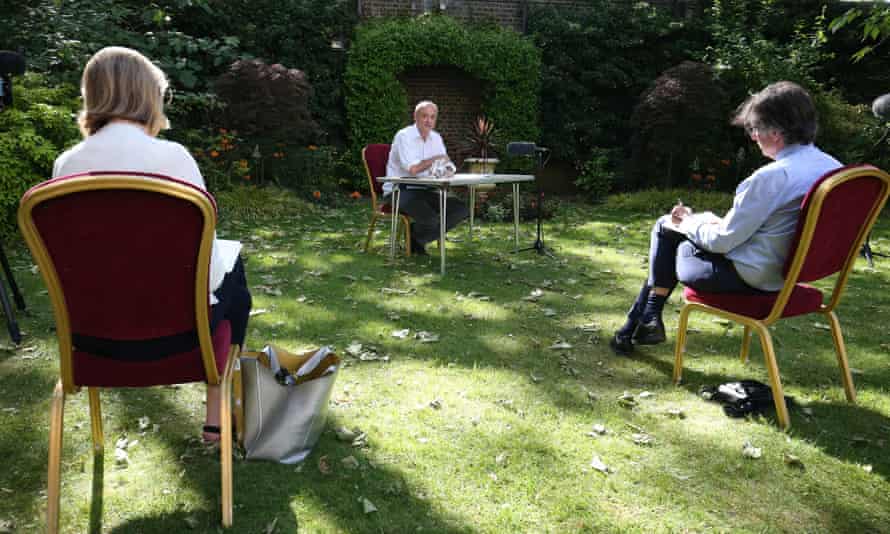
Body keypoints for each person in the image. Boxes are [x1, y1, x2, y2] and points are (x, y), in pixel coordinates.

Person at [52, 46, 251, 442]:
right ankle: (217, 413)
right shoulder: (173, 160)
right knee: (235, 283)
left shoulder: (66, 166)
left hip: (93, 340)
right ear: (147, 95)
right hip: (180, 337)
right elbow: (207, 274)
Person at [610, 81, 842, 355]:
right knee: (681, 229)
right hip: (791, 273)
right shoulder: (833, 168)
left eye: (755, 129)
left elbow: (722, 242)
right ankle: (641, 321)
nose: (753, 137)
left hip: (754, 278)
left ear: (777, 132)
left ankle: (644, 318)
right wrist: (702, 222)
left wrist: (689, 221)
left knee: (668, 229)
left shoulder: (772, 177)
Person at [385, 100, 469, 255]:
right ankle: (417, 240)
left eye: (432, 117)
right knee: (431, 220)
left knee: (461, 209)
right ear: (415, 117)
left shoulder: (436, 138)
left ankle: (416, 237)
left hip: (426, 189)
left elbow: (447, 163)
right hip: (400, 190)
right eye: (424, 116)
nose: (428, 121)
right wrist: (435, 159)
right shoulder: (404, 136)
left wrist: (449, 170)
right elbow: (414, 169)